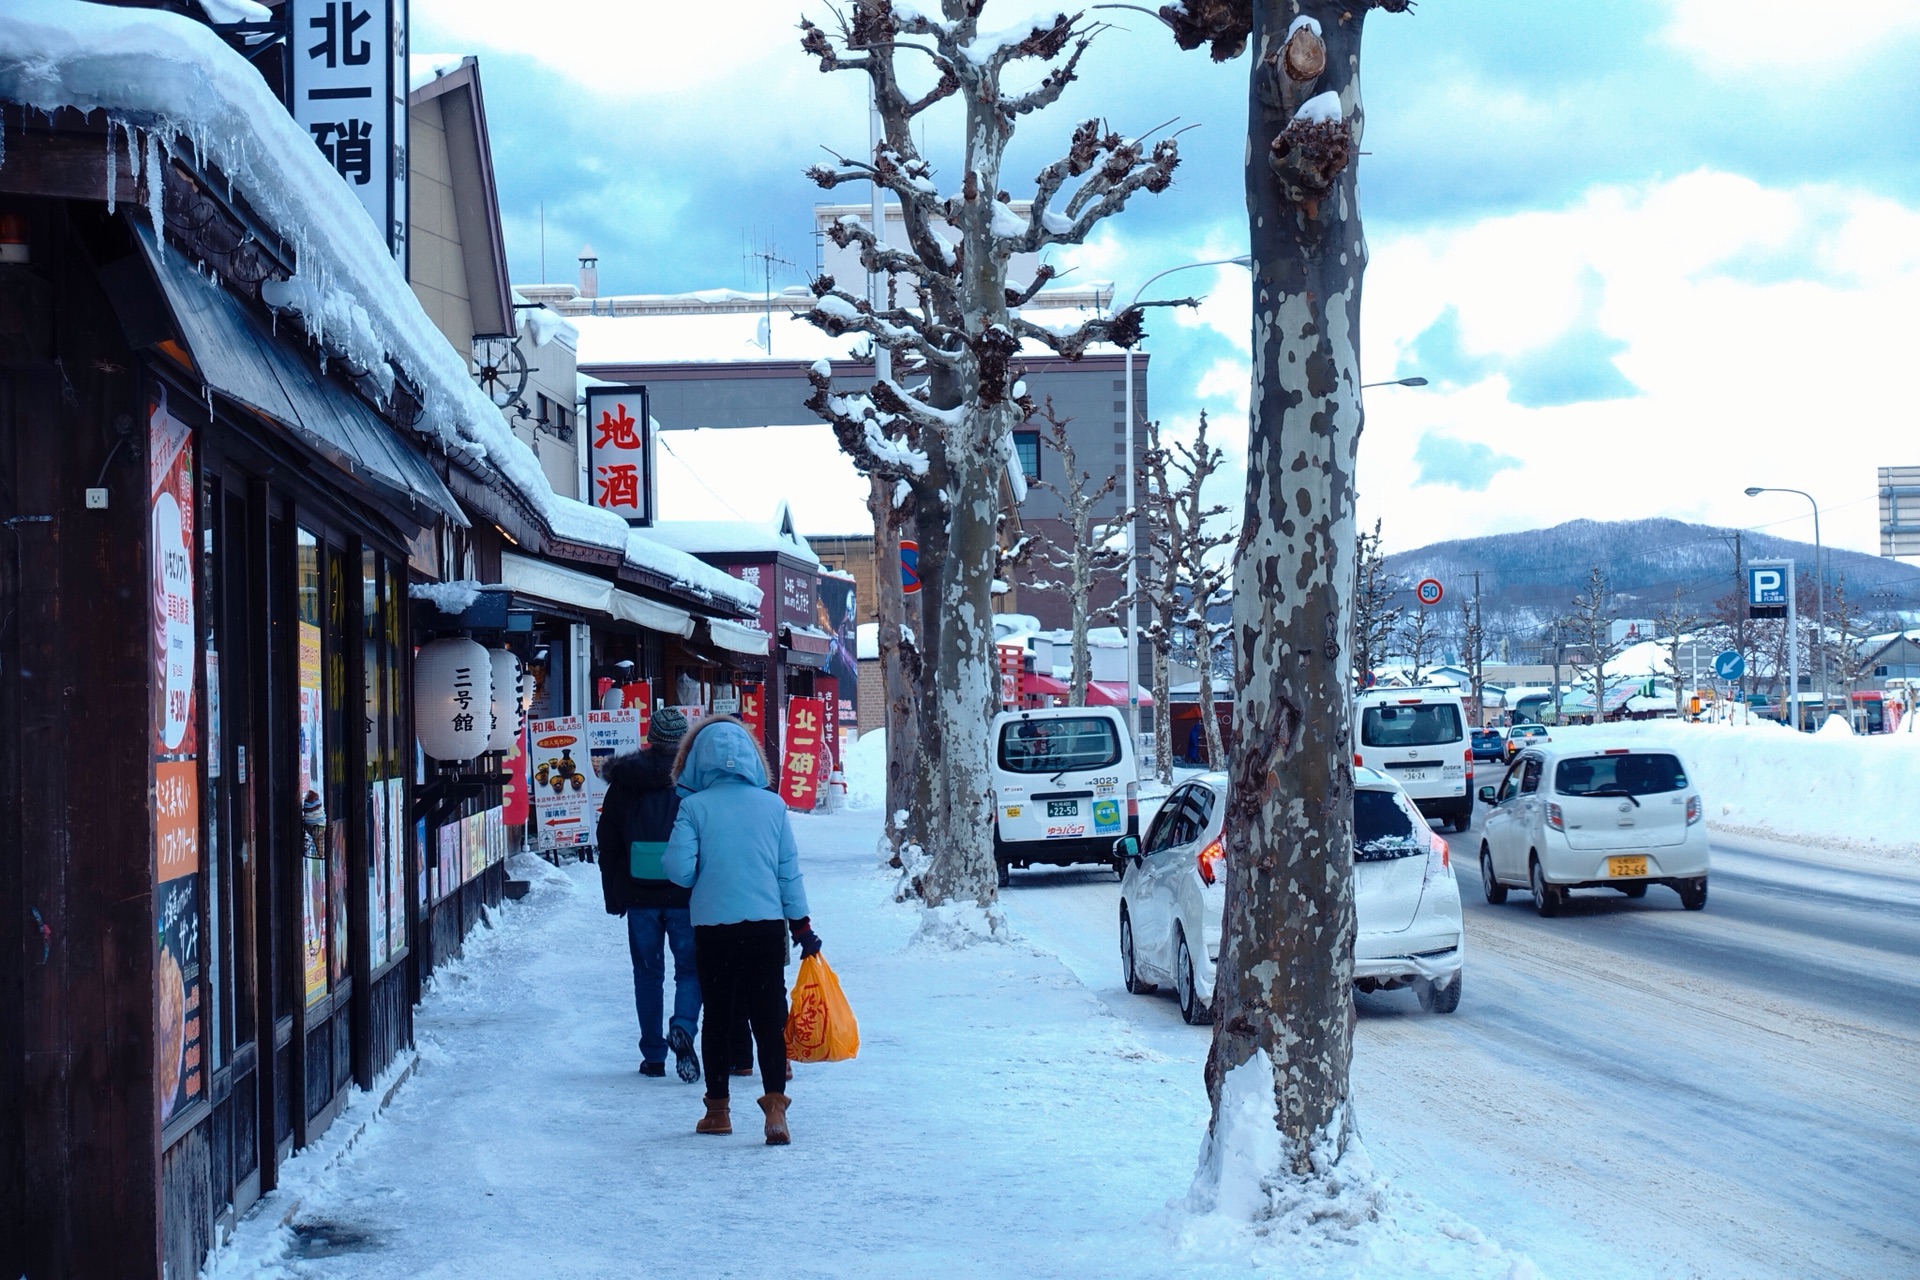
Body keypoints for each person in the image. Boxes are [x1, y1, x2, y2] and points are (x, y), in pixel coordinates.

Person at [664, 717, 819, 1145]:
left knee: (717, 1016)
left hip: (714, 928)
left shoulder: (694, 808)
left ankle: (718, 1112)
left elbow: (677, 871)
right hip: (767, 927)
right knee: (769, 1017)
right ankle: (775, 1111)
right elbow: (789, 873)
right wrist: (802, 926)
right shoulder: (773, 806)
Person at [596, 708, 702, 1083]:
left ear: (650, 738)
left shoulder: (625, 781)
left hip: (638, 893)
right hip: (684, 893)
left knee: (647, 973)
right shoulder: (693, 779)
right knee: (690, 969)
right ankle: (684, 1027)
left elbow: (607, 840)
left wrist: (613, 892)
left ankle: (654, 1056)